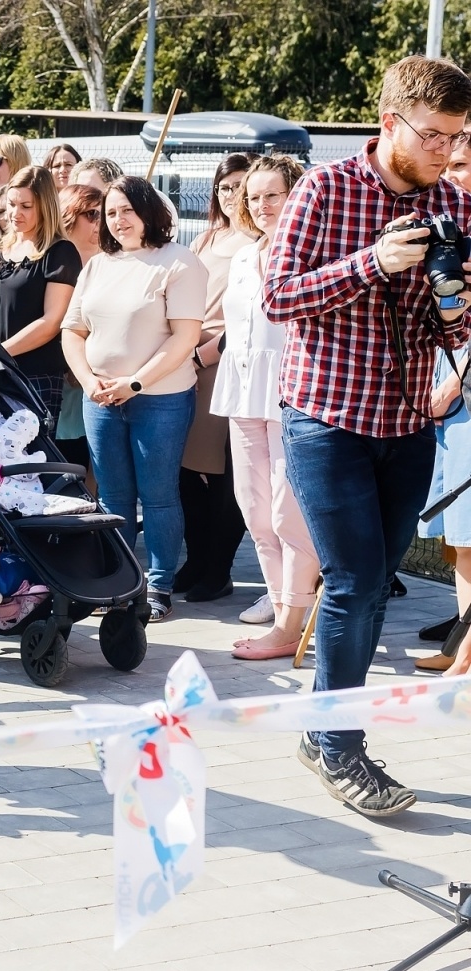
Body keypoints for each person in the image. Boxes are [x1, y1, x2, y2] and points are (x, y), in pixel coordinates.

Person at [267, 56, 471, 815]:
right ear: (390, 123)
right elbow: (278, 297)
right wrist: (370, 263)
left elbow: (457, 323)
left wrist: (453, 306)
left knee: (373, 588)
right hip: (326, 419)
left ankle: (320, 734)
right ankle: (341, 748)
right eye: (433, 136)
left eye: (455, 138)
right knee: (352, 583)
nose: (446, 153)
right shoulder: (326, 188)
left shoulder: (454, 203)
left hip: (409, 421)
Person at [63, 175, 207, 622]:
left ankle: (159, 585)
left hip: (159, 398)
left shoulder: (179, 263)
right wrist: (88, 380)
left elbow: (185, 337)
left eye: (127, 209)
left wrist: (136, 384)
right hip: (100, 398)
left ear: (150, 211)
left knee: (159, 495)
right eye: (110, 212)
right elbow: (73, 330)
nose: (118, 220)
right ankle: (118, 580)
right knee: (111, 496)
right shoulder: (97, 265)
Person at [209, 154, 318, 660]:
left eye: (272, 194)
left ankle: (293, 618)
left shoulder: (307, 251)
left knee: (287, 511)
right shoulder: (242, 256)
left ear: (294, 194)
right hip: (242, 387)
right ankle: (280, 615)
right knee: (254, 508)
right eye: (253, 197)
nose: (261, 205)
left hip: (290, 389)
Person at [177, 154, 257, 605]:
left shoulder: (261, 241)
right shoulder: (207, 237)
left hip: (228, 363)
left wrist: (204, 354)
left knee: (227, 473)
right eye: (225, 187)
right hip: (188, 362)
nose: (232, 195)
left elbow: (248, 315)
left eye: (240, 186)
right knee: (188, 469)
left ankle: (219, 566)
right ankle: (197, 558)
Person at [0, 166, 82, 424]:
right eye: (11, 204)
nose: (15, 213)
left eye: (26, 206)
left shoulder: (60, 253)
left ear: (45, 206)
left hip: (34, 376)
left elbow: (52, 322)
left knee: (31, 461)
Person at [421, 141, 471, 671]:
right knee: (459, 532)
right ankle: (463, 640)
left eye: (459, 165)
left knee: (469, 527)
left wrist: (457, 377)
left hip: (461, 385)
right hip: (443, 379)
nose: (450, 176)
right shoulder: (440, 222)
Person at [54, 183, 106, 489]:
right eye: (91, 214)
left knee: (96, 463)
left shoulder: (113, 261)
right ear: (68, 215)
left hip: (101, 376)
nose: (100, 222)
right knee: (65, 459)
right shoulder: (54, 260)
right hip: (61, 378)